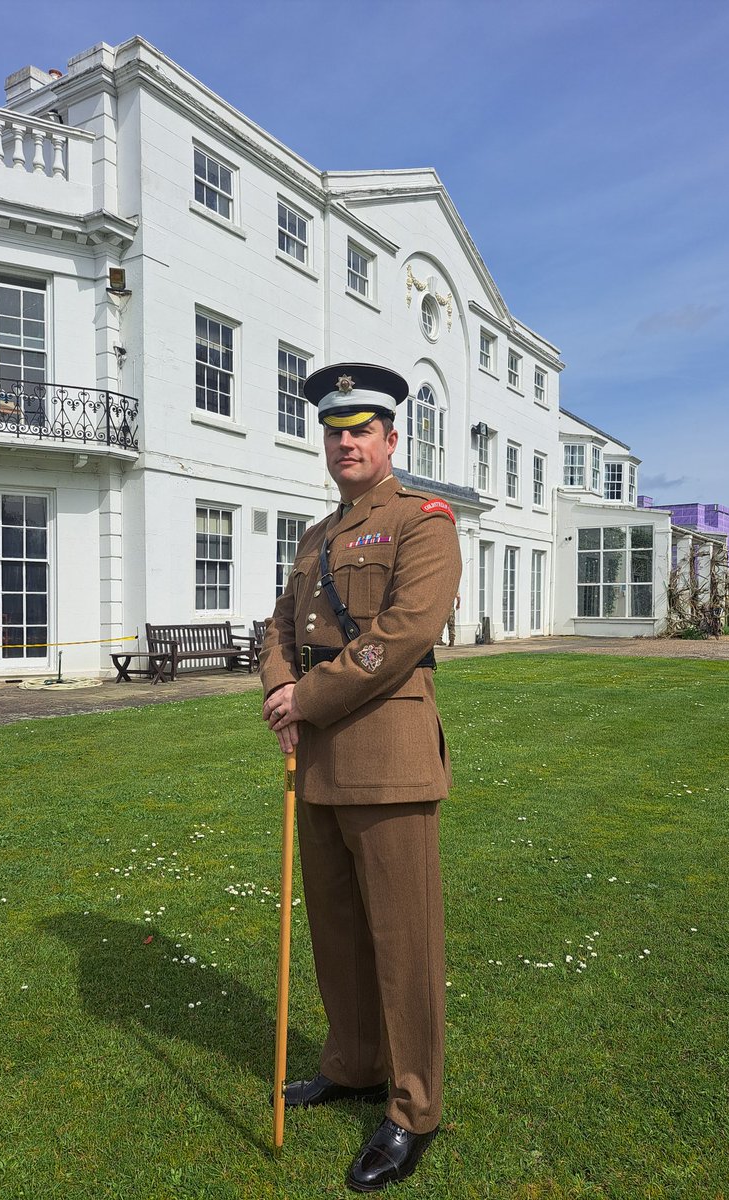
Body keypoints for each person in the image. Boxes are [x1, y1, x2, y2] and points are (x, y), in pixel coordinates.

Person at [260, 362, 462, 1192]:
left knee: (402, 941)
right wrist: (277, 683)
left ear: (389, 438)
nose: (345, 442)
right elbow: (280, 622)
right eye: (334, 431)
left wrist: (306, 694)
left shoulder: (424, 521)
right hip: (319, 762)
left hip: (388, 758)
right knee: (337, 930)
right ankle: (351, 1064)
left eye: (361, 430)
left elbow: (405, 630)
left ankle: (414, 1108)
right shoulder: (317, 535)